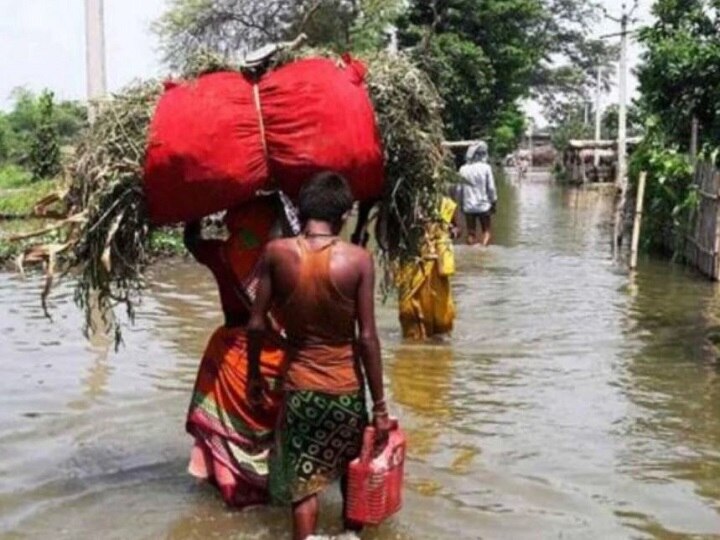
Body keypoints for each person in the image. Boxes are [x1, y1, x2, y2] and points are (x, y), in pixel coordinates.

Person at [247, 172, 390, 540]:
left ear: (301, 209)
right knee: (352, 478)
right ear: (343, 216)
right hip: (345, 391)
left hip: (301, 390)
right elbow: (368, 339)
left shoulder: (277, 253)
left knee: (304, 487)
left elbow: (256, 324)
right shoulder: (359, 260)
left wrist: (253, 376)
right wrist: (380, 407)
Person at [184, 196, 287, 508]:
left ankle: (228, 487)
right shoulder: (286, 258)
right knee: (272, 431)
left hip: (230, 354)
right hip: (274, 354)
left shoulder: (221, 254)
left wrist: (194, 206)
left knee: (221, 432)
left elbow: (191, 240)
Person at [459, 142, 497, 246]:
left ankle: (471, 252)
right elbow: (491, 188)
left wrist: (462, 206)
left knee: (471, 233)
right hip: (483, 206)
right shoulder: (486, 168)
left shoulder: (463, 169)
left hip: (468, 206)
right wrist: (493, 203)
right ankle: (483, 251)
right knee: (486, 231)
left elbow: (460, 190)